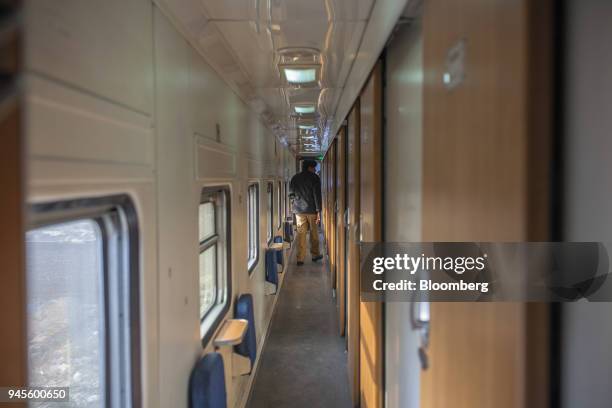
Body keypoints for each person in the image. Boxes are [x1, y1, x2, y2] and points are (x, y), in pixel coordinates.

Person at [289, 160, 323, 266]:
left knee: (301, 234)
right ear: (309, 167)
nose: (314, 169)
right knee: (314, 233)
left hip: (299, 211)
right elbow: (317, 195)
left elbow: (291, 194)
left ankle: (300, 258)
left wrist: (295, 204)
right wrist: (319, 210)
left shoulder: (295, 178)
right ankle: (315, 255)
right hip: (312, 210)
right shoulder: (315, 178)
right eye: (313, 167)